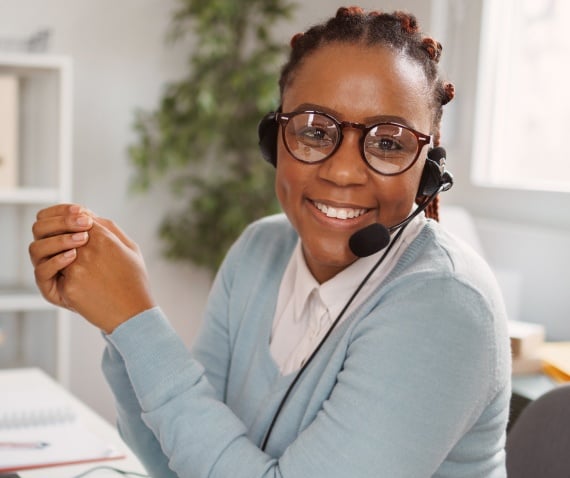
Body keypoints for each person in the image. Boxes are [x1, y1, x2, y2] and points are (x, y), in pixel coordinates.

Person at [29, 7, 511, 477]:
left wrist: (136, 322)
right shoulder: (258, 250)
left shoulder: (446, 303)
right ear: (273, 141)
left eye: (389, 142)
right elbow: (175, 463)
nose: (343, 171)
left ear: (427, 172)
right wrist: (117, 322)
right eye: (315, 132)